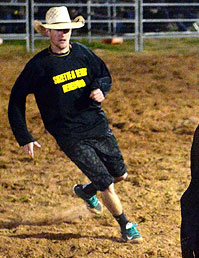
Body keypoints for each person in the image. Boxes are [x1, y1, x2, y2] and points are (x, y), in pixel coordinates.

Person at [8, 6, 142, 243]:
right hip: (68, 133)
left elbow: (104, 75)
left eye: (67, 29)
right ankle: (126, 225)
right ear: (48, 33)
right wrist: (24, 136)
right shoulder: (39, 66)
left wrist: (102, 89)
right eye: (57, 30)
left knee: (120, 174)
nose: (63, 34)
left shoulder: (83, 53)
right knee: (106, 183)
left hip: (97, 124)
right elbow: (16, 100)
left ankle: (85, 191)